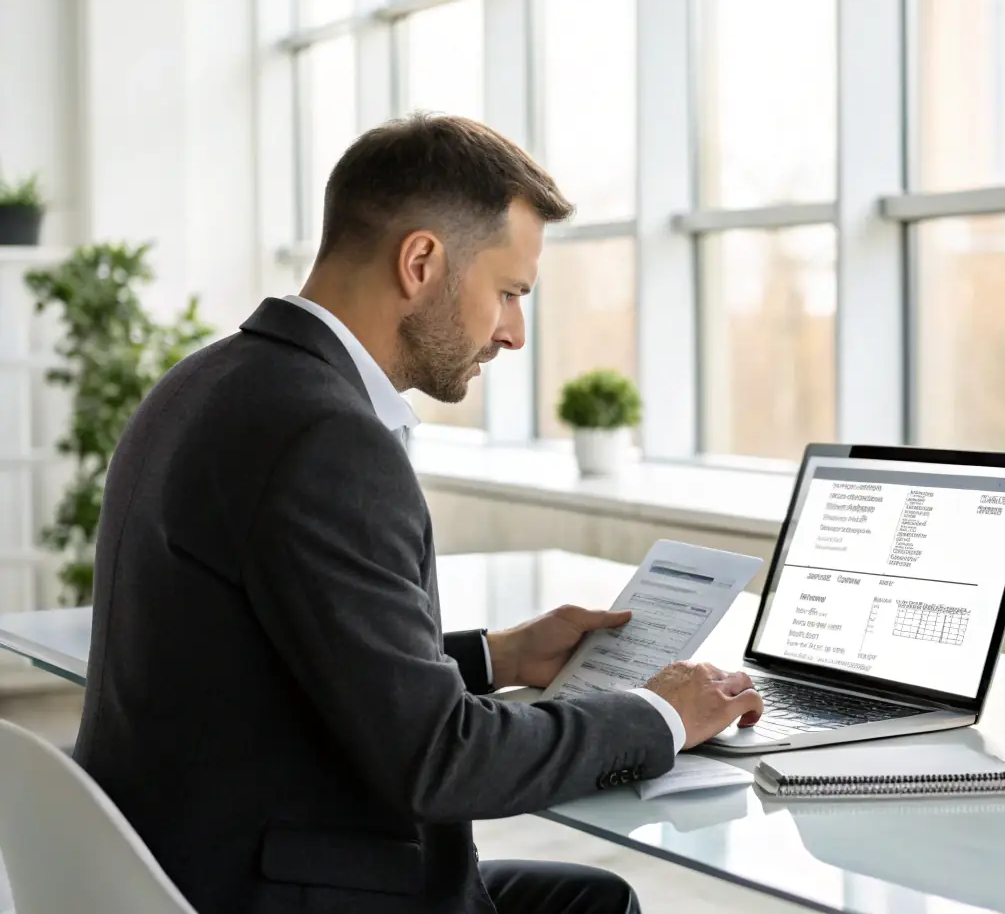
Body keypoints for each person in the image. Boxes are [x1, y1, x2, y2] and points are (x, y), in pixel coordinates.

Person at [73, 113, 765, 914]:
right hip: (282, 890)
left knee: (589, 901)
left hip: (180, 868)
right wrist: (658, 715)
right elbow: (440, 762)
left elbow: (288, 660)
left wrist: (498, 658)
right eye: (507, 292)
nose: (513, 333)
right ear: (421, 261)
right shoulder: (327, 438)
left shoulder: (206, 383)